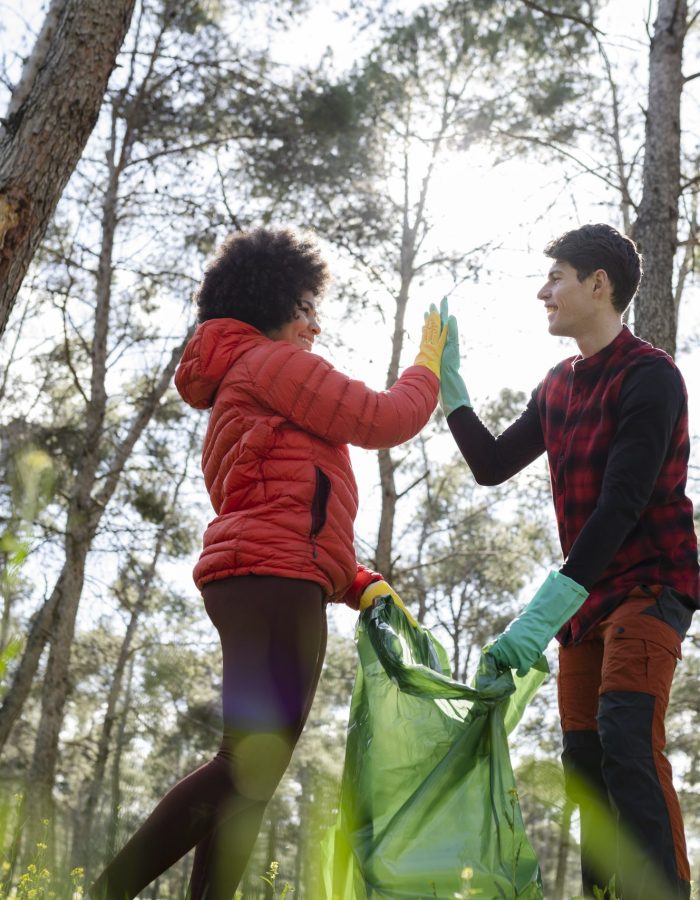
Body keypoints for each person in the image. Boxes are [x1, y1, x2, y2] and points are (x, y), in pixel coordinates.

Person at [90, 227, 446, 899]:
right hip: (276, 585)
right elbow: (382, 418)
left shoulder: (239, 384)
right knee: (243, 767)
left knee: (251, 775)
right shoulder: (271, 366)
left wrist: (357, 582)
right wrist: (427, 365)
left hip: (259, 580)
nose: (316, 323)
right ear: (276, 300)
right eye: (309, 306)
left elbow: (283, 508)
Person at [439, 223, 698, 899]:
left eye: (555, 277)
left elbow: (621, 503)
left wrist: (542, 611)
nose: (542, 292)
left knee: (624, 737)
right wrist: (452, 391)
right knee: (583, 759)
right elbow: (493, 465)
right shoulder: (557, 387)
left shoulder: (652, 377)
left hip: (651, 583)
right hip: (584, 604)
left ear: (598, 284)